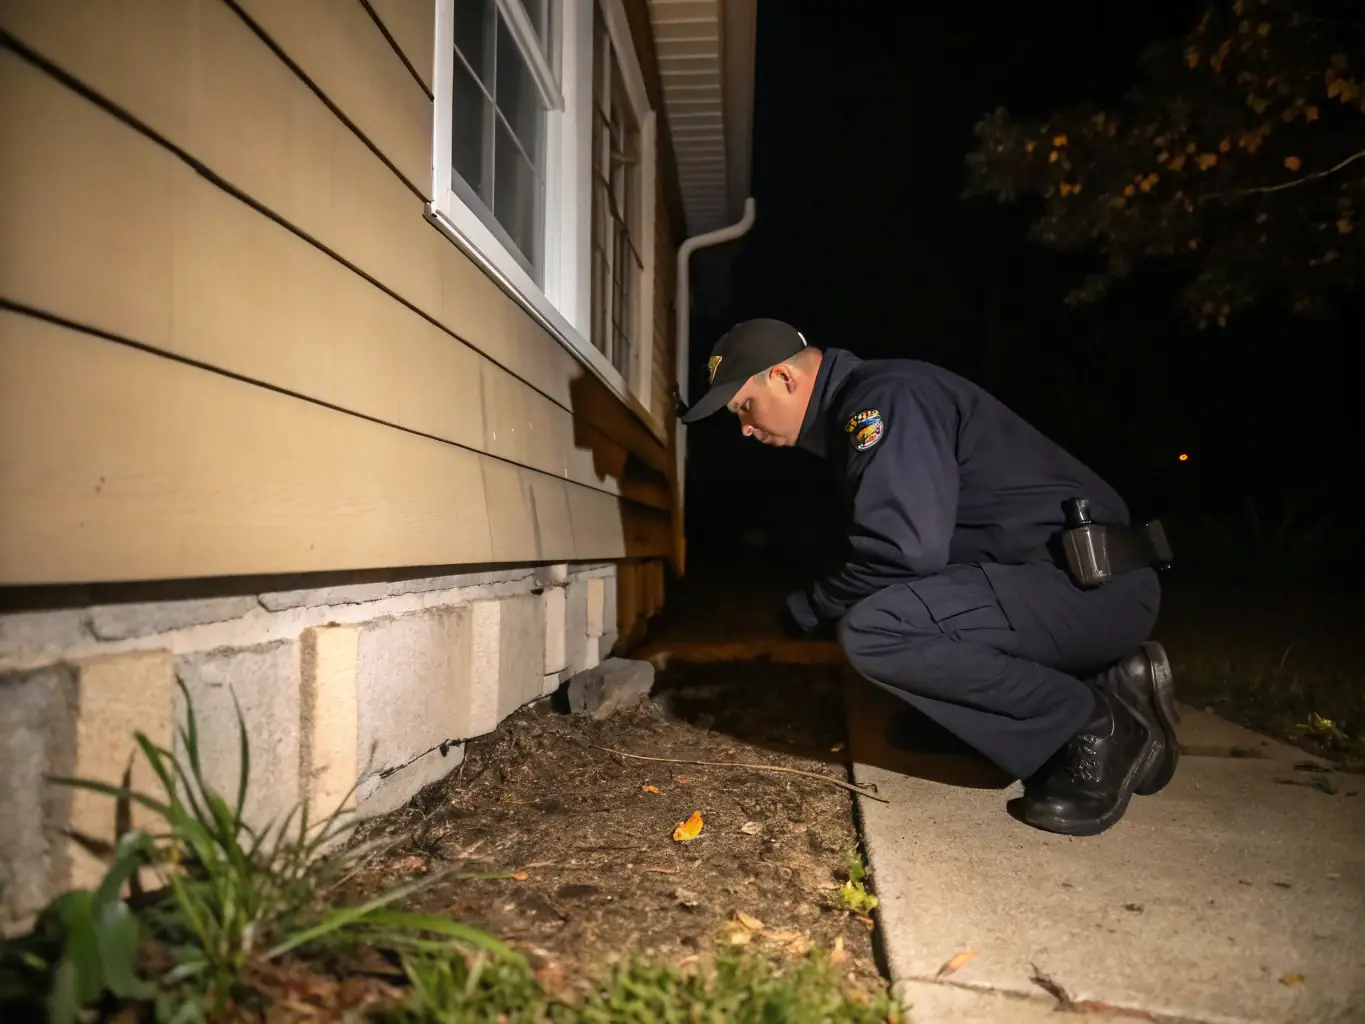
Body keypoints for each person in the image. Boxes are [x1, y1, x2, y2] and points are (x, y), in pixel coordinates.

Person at [679, 318, 1179, 837]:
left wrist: (810, 608)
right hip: (1068, 588)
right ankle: (1103, 678)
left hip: (1091, 588)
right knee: (881, 608)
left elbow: (901, 551)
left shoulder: (883, 402)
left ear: (783, 378)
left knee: (877, 630)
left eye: (743, 407)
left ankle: (1093, 723)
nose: (744, 428)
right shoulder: (871, 401)